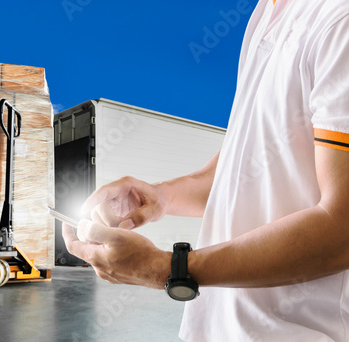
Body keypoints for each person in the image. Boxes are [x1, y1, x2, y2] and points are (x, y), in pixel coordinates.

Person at [62, 0, 349, 340]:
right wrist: (160, 197)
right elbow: (243, 170)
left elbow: (342, 228)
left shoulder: (338, 21)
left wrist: (166, 268)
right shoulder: (266, 14)